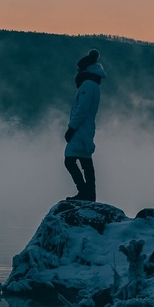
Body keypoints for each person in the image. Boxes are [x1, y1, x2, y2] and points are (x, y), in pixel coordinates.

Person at [63, 49, 105, 201]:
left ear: (85, 69)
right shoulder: (93, 84)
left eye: (79, 69)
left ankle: (84, 192)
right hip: (86, 128)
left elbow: (81, 109)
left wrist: (71, 128)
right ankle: (89, 194)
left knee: (70, 160)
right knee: (85, 160)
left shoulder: (87, 85)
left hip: (80, 129)